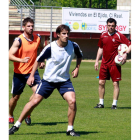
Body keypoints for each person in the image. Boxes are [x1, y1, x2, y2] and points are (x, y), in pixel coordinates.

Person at [9, 24, 83, 136]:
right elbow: (38, 60)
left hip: (64, 81)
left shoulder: (74, 45)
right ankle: (16, 125)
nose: (66, 36)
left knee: (72, 101)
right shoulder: (51, 47)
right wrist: (32, 76)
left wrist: (77, 68)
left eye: (68, 33)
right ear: (58, 35)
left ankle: (70, 129)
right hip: (48, 80)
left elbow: (79, 56)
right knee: (34, 101)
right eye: (63, 34)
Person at [9, 17, 45, 125]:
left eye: (32, 26)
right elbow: (9, 55)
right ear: (23, 27)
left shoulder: (38, 37)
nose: (31, 28)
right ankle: (10, 114)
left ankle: (27, 113)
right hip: (19, 73)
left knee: (38, 93)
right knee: (15, 97)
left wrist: (42, 60)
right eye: (28, 26)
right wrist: (21, 60)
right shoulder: (18, 40)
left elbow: (42, 48)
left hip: (32, 72)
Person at [94, 18, 131, 109]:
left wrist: (125, 54)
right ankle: (101, 103)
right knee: (101, 83)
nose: (111, 27)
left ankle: (114, 104)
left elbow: (130, 44)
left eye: (112, 26)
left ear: (115, 26)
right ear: (106, 26)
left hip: (115, 64)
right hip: (104, 63)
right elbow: (100, 48)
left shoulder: (119, 35)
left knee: (115, 84)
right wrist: (96, 61)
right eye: (109, 26)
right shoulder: (103, 35)